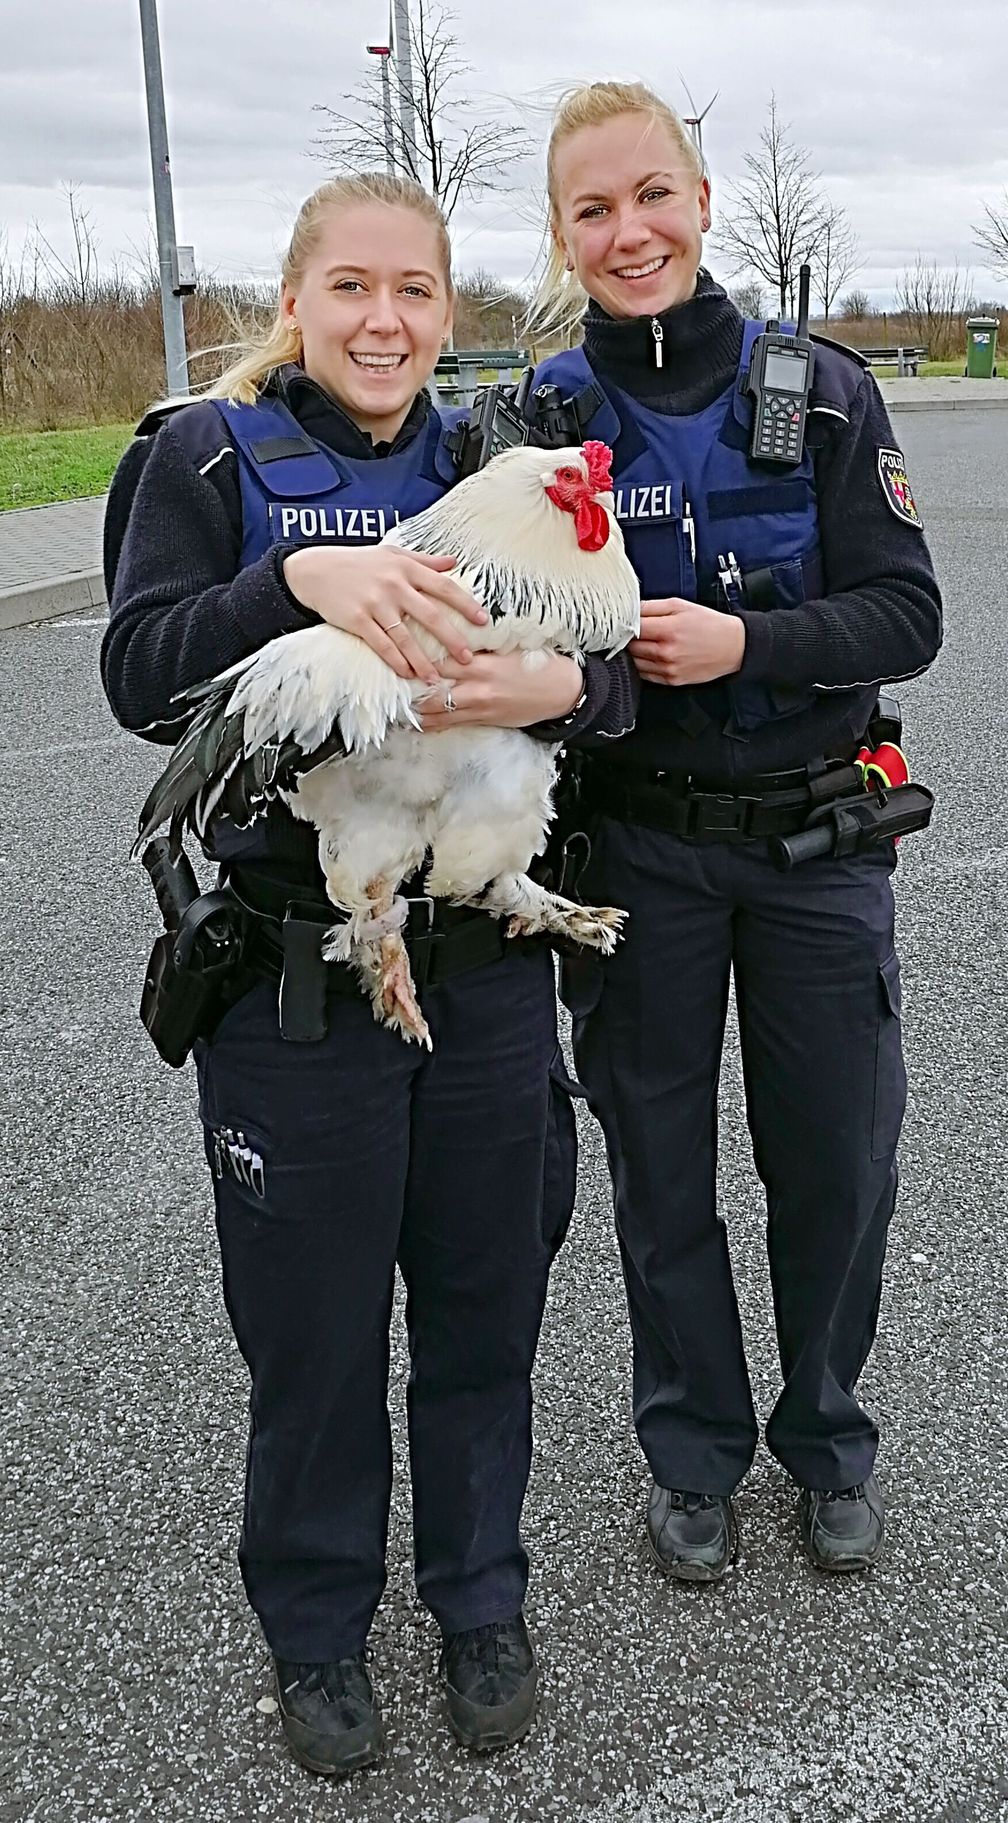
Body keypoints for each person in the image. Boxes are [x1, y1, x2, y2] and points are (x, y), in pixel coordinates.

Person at [101, 173, 637, 1776]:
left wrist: (571, 682)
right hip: (293, 991)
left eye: (412, 291)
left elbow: (599, 699)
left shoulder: (491, 456)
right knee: (317, 1338)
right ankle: (318, 1630)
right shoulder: (201, 455)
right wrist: (295, 585)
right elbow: (137, 676)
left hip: (479, 982)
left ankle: (480, 1596)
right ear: (295, 299)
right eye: (349, 289)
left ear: (446, 308)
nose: (383, 320)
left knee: (486, 1303)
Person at [524, 83, 942, 1582]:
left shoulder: (822, 393)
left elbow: (910, 613)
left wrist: (747, 650)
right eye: (593, 209)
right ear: (564, 236)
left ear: (701, 201)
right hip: (637, 853)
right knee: (658, 1165)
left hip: (818, 846)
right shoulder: (536, 424)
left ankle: (827, 1431)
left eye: (652, 196)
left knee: (836, 1160)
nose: (628, 232)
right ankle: (690, 1447)